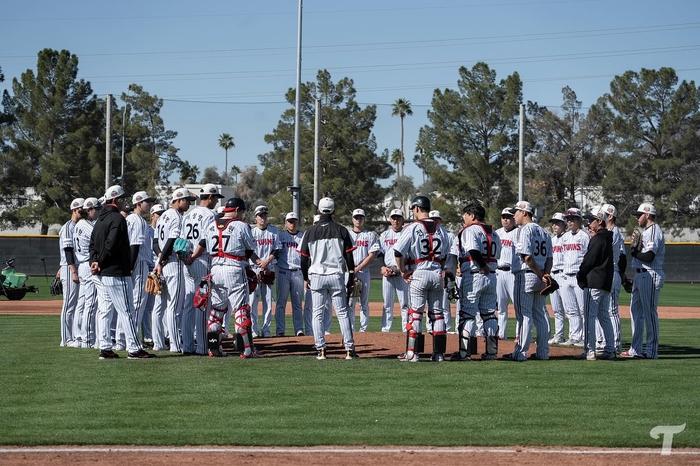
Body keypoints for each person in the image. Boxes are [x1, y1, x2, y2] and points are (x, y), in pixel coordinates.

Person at [90, 185, 154, 360]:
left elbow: (93, 245)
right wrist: (100, 262)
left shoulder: (100, 221)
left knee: (105, 311)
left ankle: (105, 348)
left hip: (102, 273)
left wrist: (95, 262)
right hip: (117, 271)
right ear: (114, 200)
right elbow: (111, 245)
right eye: (122, 198)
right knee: (127, 310)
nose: (125, 201)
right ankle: (134, 348)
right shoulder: (117, 219)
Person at [190, 197, 260, 358]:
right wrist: (259, 261)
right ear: (237, 210)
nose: (242, 215)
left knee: (216, 311)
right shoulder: (241, 226)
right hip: (234, 268)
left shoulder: (211, 225)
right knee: (241, 310)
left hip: (215, 270)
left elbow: (202, 244)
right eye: (241, 211)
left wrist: (192, 257)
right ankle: (247, 350)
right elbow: (249, 250)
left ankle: (214, 349)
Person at [300, 197, 359, 360]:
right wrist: (351, 276)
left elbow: (304, 259)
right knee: (342, 313)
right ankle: (349, 350)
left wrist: (305, 278)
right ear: (333, 210)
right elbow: (349, 256)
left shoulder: (310, 232)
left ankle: (321, 350)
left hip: (317, 275)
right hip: (336, 275)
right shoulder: (342, 230)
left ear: (319, 210)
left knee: (317, 314)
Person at [394, 195, 450, 362]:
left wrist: (403, 270)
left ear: (417, 208)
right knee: (438, 315)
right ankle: (439, 354)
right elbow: (446, 255)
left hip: (419, 272)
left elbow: (398, 252)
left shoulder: (413, 227)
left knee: (416, 314)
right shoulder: (442, 229)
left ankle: (412, 353)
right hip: (437, 273)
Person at [451, 202, 501, 361]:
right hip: (492, 276)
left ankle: (464, 353)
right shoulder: (494, 232)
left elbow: (473, 250)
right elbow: (497, 253)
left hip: (474, 274)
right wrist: (487, 267)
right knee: (489, 314)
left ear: (472, 216)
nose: (463, 218)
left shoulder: (470, 230)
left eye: (465, 215)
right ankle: (491, 353)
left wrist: (483, 266)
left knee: (467, 315)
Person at [505, 201, 552, 361]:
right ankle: (543, 352)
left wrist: (539, 274)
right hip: (540, 276)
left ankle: (521, 352)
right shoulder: (544, 232)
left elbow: (527, 257)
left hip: (526, 274)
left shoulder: (524, 230)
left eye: (516, 212)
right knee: (540, 315)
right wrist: (545, 274)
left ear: (524, 212)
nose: (514, 216)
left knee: (524, 315)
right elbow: (550, 258)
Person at [152, 187, 197, 353]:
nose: (189, 204)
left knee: (159, 307)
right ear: (179, 200)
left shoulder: (163, 216)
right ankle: (175, 344)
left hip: (163, 262)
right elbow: (171, 241)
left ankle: (158, 343)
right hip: (172, 263)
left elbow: (155, 242)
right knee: (174, 306)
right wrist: (162, 262)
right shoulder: (176, 217)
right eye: (187, 201)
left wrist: (159, 260)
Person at [182, 184, 223, 355]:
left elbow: (181, 241)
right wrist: (194, 256)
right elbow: (205, 240)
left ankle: (187, 346)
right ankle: (202, 347)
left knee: (189, 304)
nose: (216, 201)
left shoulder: (188, 214)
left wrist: (186, 257)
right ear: (210, 197)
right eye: (215, 198)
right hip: (202, 260)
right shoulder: (210, 215)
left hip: (188, 260)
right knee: (202, 304)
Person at [621, 203, 665, 359]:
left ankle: (652, 352)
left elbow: (650, 256)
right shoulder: (646, 232)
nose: (636, 217)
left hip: (650, 274)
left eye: (638, 215)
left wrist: (634, 252)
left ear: (647, 215)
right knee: (635, 313)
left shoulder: (654, 231)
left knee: (649, 314)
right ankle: (635, 349)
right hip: (640, 275)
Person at [577, 206, 616, 360]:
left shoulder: (598, 238)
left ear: (600, 221)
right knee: (604, 316)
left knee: (589, 317)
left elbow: (589, 261)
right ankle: (611, 350)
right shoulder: (607, 237)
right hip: (605, 282)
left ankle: (590, 350)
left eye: (591, 220)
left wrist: (580, 274)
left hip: (594, 282)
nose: (588, 223)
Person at [122, 190, 156, 349]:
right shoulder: (138, 221)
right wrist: (130, 267)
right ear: (138, 203)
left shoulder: (129, 219)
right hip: (138, 263)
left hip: (132, 263)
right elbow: (134, 246)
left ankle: (125, 340)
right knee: (138, 303)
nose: (149, 204)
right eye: (146, 202)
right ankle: (133, 341)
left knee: (130, 303)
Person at [72, 197, 101, 349]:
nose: (99, 212)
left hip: (83, 265)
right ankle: (87, 339)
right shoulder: (87, 226)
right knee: (91, 304)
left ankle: (79, 338)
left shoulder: (79, 224)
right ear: (89, 210)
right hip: (87, 265)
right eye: (97, 209)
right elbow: (99, 239)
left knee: (82, 303)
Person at [559, 208, 589, 346]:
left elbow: (588, 256)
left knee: (583, 310)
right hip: (566, 275)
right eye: (568, 219)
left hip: (579, 276)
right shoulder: (565, 237)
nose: (569, 221)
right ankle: (574, 336)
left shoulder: (585, 236)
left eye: (572, 219)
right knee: (570, 310)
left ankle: (585, 337)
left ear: (579, 220)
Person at [426, 210, 459, 335]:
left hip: (446, 272)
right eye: (432, 219)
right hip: (431, 271)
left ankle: (447, 328)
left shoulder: (449, 235)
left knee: (444, 303)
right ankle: (430, 328)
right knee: (431, 303)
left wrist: (450, 271)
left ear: (440, 221)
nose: (434, 221)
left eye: (436, 219)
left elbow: (453, 255)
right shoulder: (426, 234)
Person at [249, 205, 279, 338]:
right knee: (252, 301)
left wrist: (267, 262)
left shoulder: (274, 231)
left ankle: (266, 329)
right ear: (255, 217)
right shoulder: (250, 231)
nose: (263, 217)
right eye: (260, 215)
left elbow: (277, 249)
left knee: (268, 301)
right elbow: (249, 251)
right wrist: (260, 262)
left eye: (265, 215)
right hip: (254, 269)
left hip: (269, 268)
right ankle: (254, 329)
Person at [599, 203, 626, 352]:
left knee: (612, 311)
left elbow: (621, 258)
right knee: (605, 310)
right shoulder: (609, 231)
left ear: (610, 216)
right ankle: (607, 342)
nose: (600, 216)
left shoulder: (614, 232)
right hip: (609, 272)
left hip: (612, 272)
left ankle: (615, 344)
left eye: (603, 214)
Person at [347, 208, 379, 332]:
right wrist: (351, 270)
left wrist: (358, 268)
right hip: (350, 272)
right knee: (350, 302)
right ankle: (351, 329)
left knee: (364, 303)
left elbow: (372, 254)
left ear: (364, 219)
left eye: (360, 217)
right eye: (356, 217)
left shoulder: (370, 235)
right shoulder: (347, 234)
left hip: (364, 272)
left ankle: (363, 330)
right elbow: (343, 254)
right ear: (352, 219)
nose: (358, 219)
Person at [378, 208, 409, 332]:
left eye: (398, 218)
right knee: (387, 304)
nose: (396, 221)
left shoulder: (407, 234)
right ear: (390, 220)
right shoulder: (384, 235)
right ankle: (386, 329)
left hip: (402, 272)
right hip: (387, 273)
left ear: (402, 220)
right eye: (394, 218)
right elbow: (380, 253)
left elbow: (410, 254)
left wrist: (400, 267)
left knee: (405, 304)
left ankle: (406, 329)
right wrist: (383, 267)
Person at [58, 197, 84, 347]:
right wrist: (73, 271)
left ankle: (74, 336)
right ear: (75, 209)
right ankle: (66, 339)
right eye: (81, 209)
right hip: (70, 268)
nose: (84, 211)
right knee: (69, 304)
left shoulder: (78, 226)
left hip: (73, 267)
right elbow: (67, 251)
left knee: (76, 304)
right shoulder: (68, 227)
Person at [274, 212, 305, 336]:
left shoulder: (303, 236)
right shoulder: (280, 236)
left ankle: (299, 330)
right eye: (290, 221)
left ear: (297, 222)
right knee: (281, 303)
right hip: (283, 271)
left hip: (298, 272)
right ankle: (280, 330)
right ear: (285, 223)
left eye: (294, 221)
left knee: (297, 303)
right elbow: (275, 251)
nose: (292, 223)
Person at [141, 203, 166, 346]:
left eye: (163, 213)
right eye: (158, 214)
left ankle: (163, 335)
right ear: (152, 215)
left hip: (163, 268)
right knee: (148, 306)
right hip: (152, 269)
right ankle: (148, 336)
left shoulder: (164, 229)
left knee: (163, 305)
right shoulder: (148, 230)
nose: (161, 216)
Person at [495, 207, 518, 340]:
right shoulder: (497, 233)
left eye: (508, 217)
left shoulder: (518, 233)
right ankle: (501, 334)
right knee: (501, 306)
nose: (505, 219)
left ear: (513, 219)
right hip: (499, 272)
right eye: (503, 217)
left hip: (512, 272)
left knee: (517, 305)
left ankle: (519, 334)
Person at [548, 212, 567, 344]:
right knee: (557, 309)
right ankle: (559, 335)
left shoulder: (568, 238)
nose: (554, 225)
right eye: (553, 223)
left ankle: (577, 336)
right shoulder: (552, 240)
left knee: (571, 309)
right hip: (554, 274)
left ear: (564, 224)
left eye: (557, 222)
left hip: (564, 274)